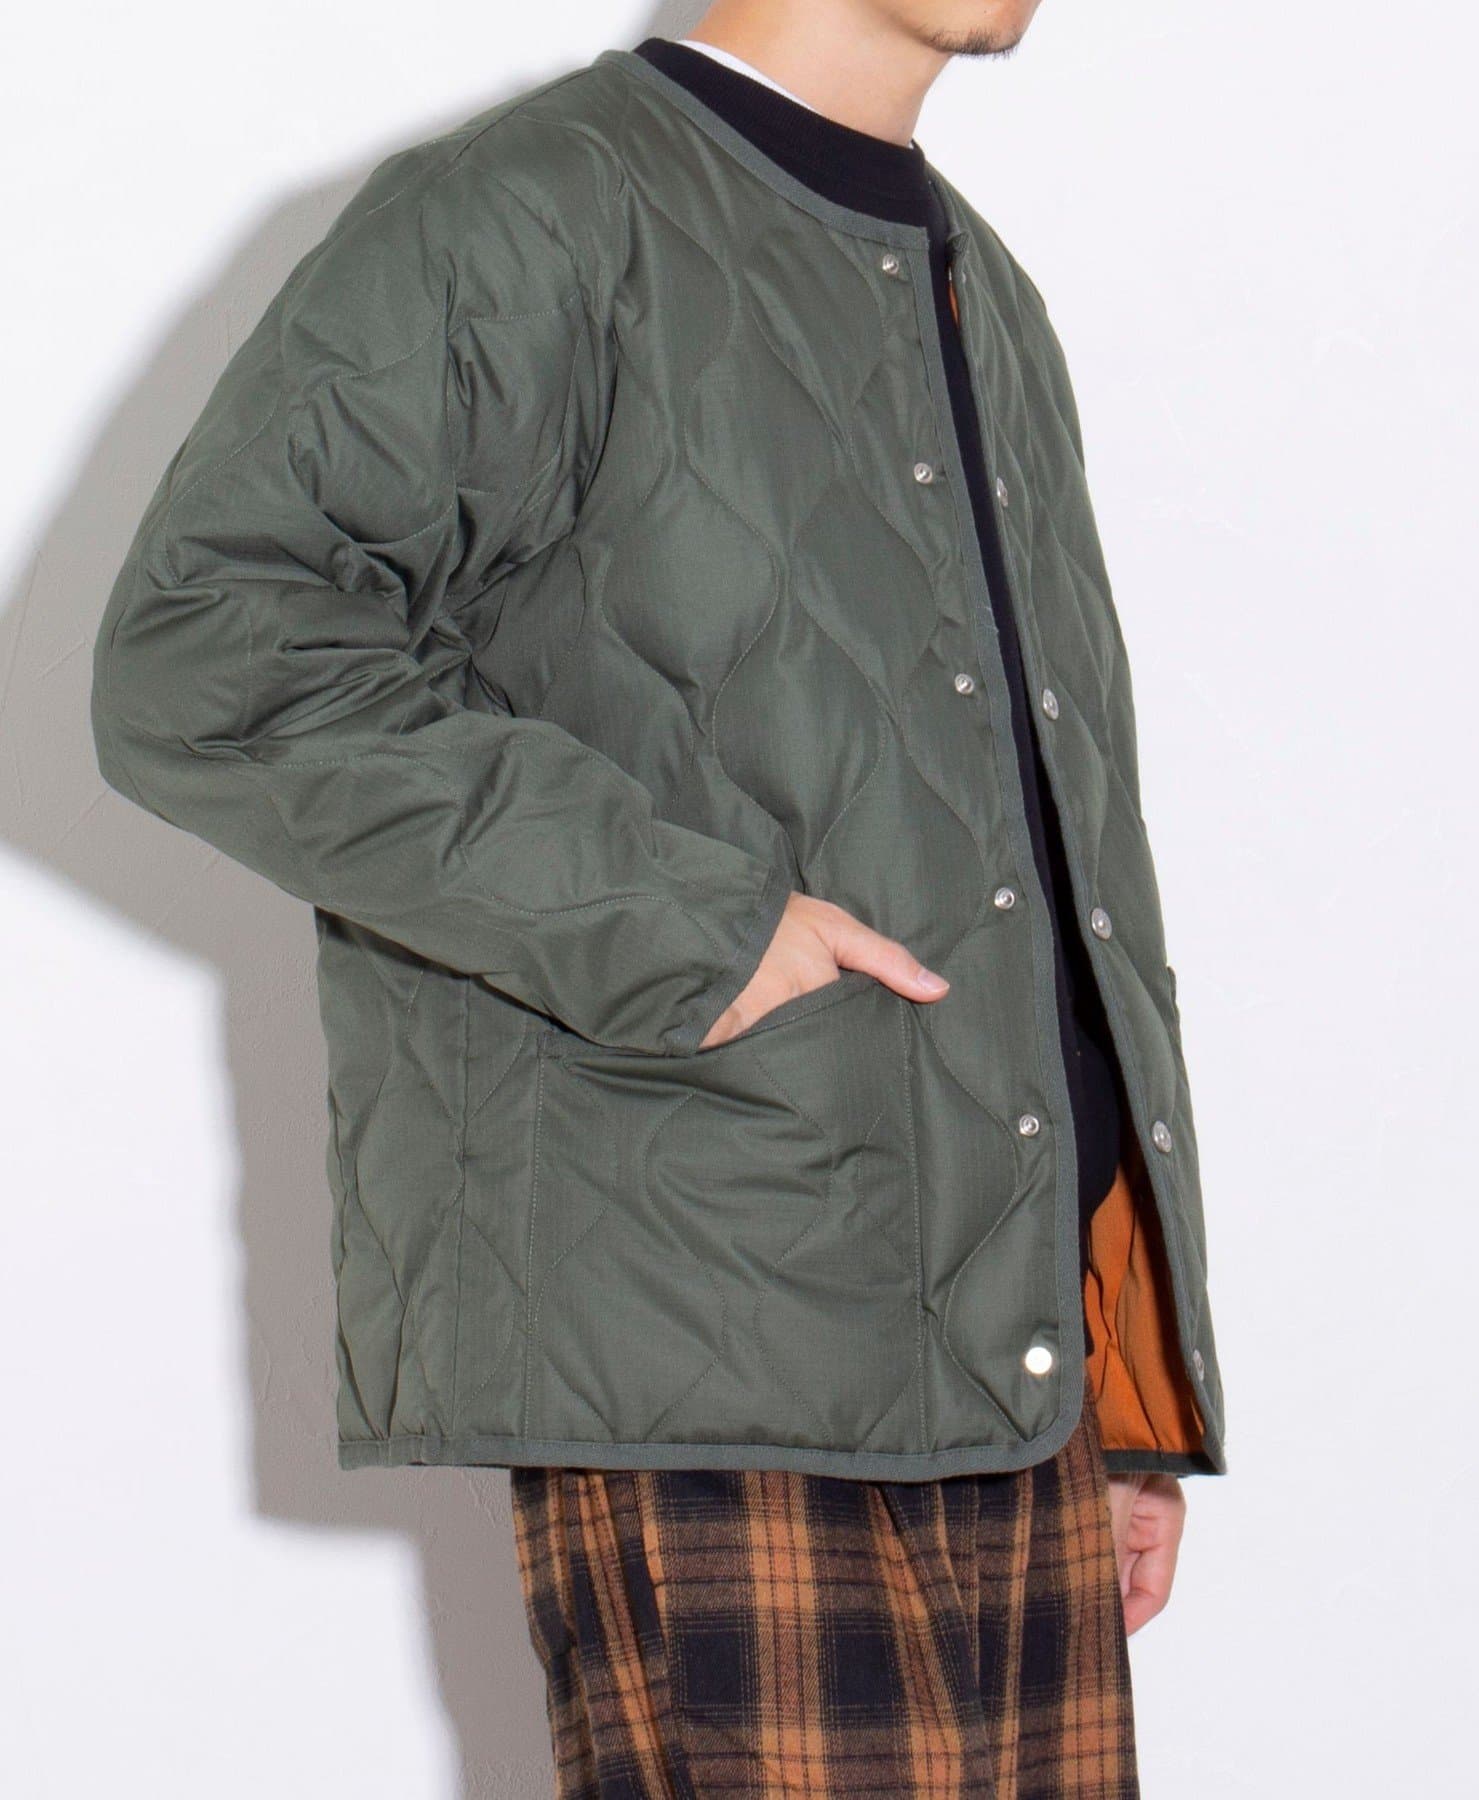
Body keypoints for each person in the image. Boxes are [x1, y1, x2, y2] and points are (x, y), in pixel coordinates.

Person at [90, 1, 1226, 1790]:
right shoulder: (536, 208)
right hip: (719, 1327)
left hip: (1012, 1383)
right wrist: (693, 927)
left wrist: (1117, 1363)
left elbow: (1033, 843)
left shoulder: (976, 286)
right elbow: (206, 654)